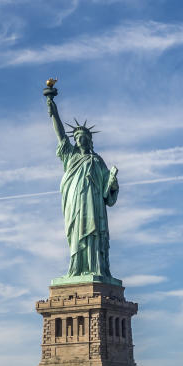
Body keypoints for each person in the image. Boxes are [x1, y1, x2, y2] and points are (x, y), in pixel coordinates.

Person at [45, 90, 119, 279]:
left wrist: (111, 182)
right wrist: (53, 110)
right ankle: (77, 268)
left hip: (93, 204)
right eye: (77, 137)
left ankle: (97, 268)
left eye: (84, 136)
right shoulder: (70, 156)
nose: (80, 139)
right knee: (76, 234)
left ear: (90, 140)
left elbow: (107, 194)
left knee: (94, 234)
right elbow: (61, 134)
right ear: (75, 141)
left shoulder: (97, 160)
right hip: (75, 202)